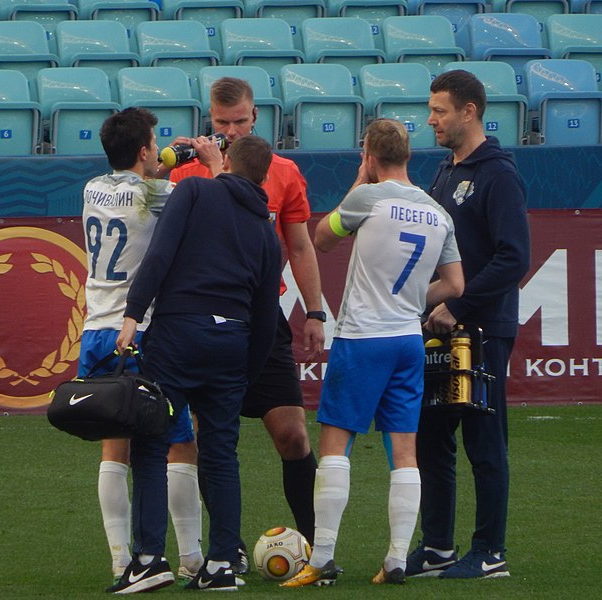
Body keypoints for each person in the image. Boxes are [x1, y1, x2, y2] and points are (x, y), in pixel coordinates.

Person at [281, 118, 464, 588]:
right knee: (405, 450)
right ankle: (398, 558)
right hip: (407, 339)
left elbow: (321, 238)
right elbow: (455, 285)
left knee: (335, 443)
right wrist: (408, 299)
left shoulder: (367, 197)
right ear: (408, 155)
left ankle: (321, 558)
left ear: (369, 154)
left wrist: (356, 185)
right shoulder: (438, 212)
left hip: (363, 337)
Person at [110, 135, 282, 593]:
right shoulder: (267, 230)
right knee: (221, 454)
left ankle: (149, 559)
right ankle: (222, 562)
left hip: (179, 333)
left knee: (151, 441)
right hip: (233, 342)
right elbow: (268, 315)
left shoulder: (194, 190)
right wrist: (247, 371)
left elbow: (160, 257)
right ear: (264, 176)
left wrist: (132, 315)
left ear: (226, 159)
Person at [167, 77, 324, 566]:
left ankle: (317, 549)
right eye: (222, 122)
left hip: (262, 316)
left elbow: (298, 244)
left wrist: (315, 310)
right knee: (208, 433)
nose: (231, 130)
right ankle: (225, 548)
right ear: (209, 120)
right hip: (203, 319)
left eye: (240, 121)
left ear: (256, 118)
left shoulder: (283, 172)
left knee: (293, 435)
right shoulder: (183, 175)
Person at [406, 69, 531, 579]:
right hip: (441, 327)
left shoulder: (498, 174)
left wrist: (459, 305)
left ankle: (490, 551)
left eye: (439, 110)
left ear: (469, 111)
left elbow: (514, 257)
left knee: (483, 438)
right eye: (431, 110)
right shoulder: (444, 172)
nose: (430, 120)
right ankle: (438, 545)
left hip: (480, 328)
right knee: (431, 433)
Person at [79, 107, 203, 584]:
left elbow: (140, 181)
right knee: (176, 440)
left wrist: (165, 158)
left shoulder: (91, 187)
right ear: (143, 150)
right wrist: (203, 160)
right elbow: (194, 200)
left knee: (115, 447)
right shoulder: (157, 192)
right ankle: (186, 556)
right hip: (142, 329)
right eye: (154, 143)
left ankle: (120, 559)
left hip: (96, 329)